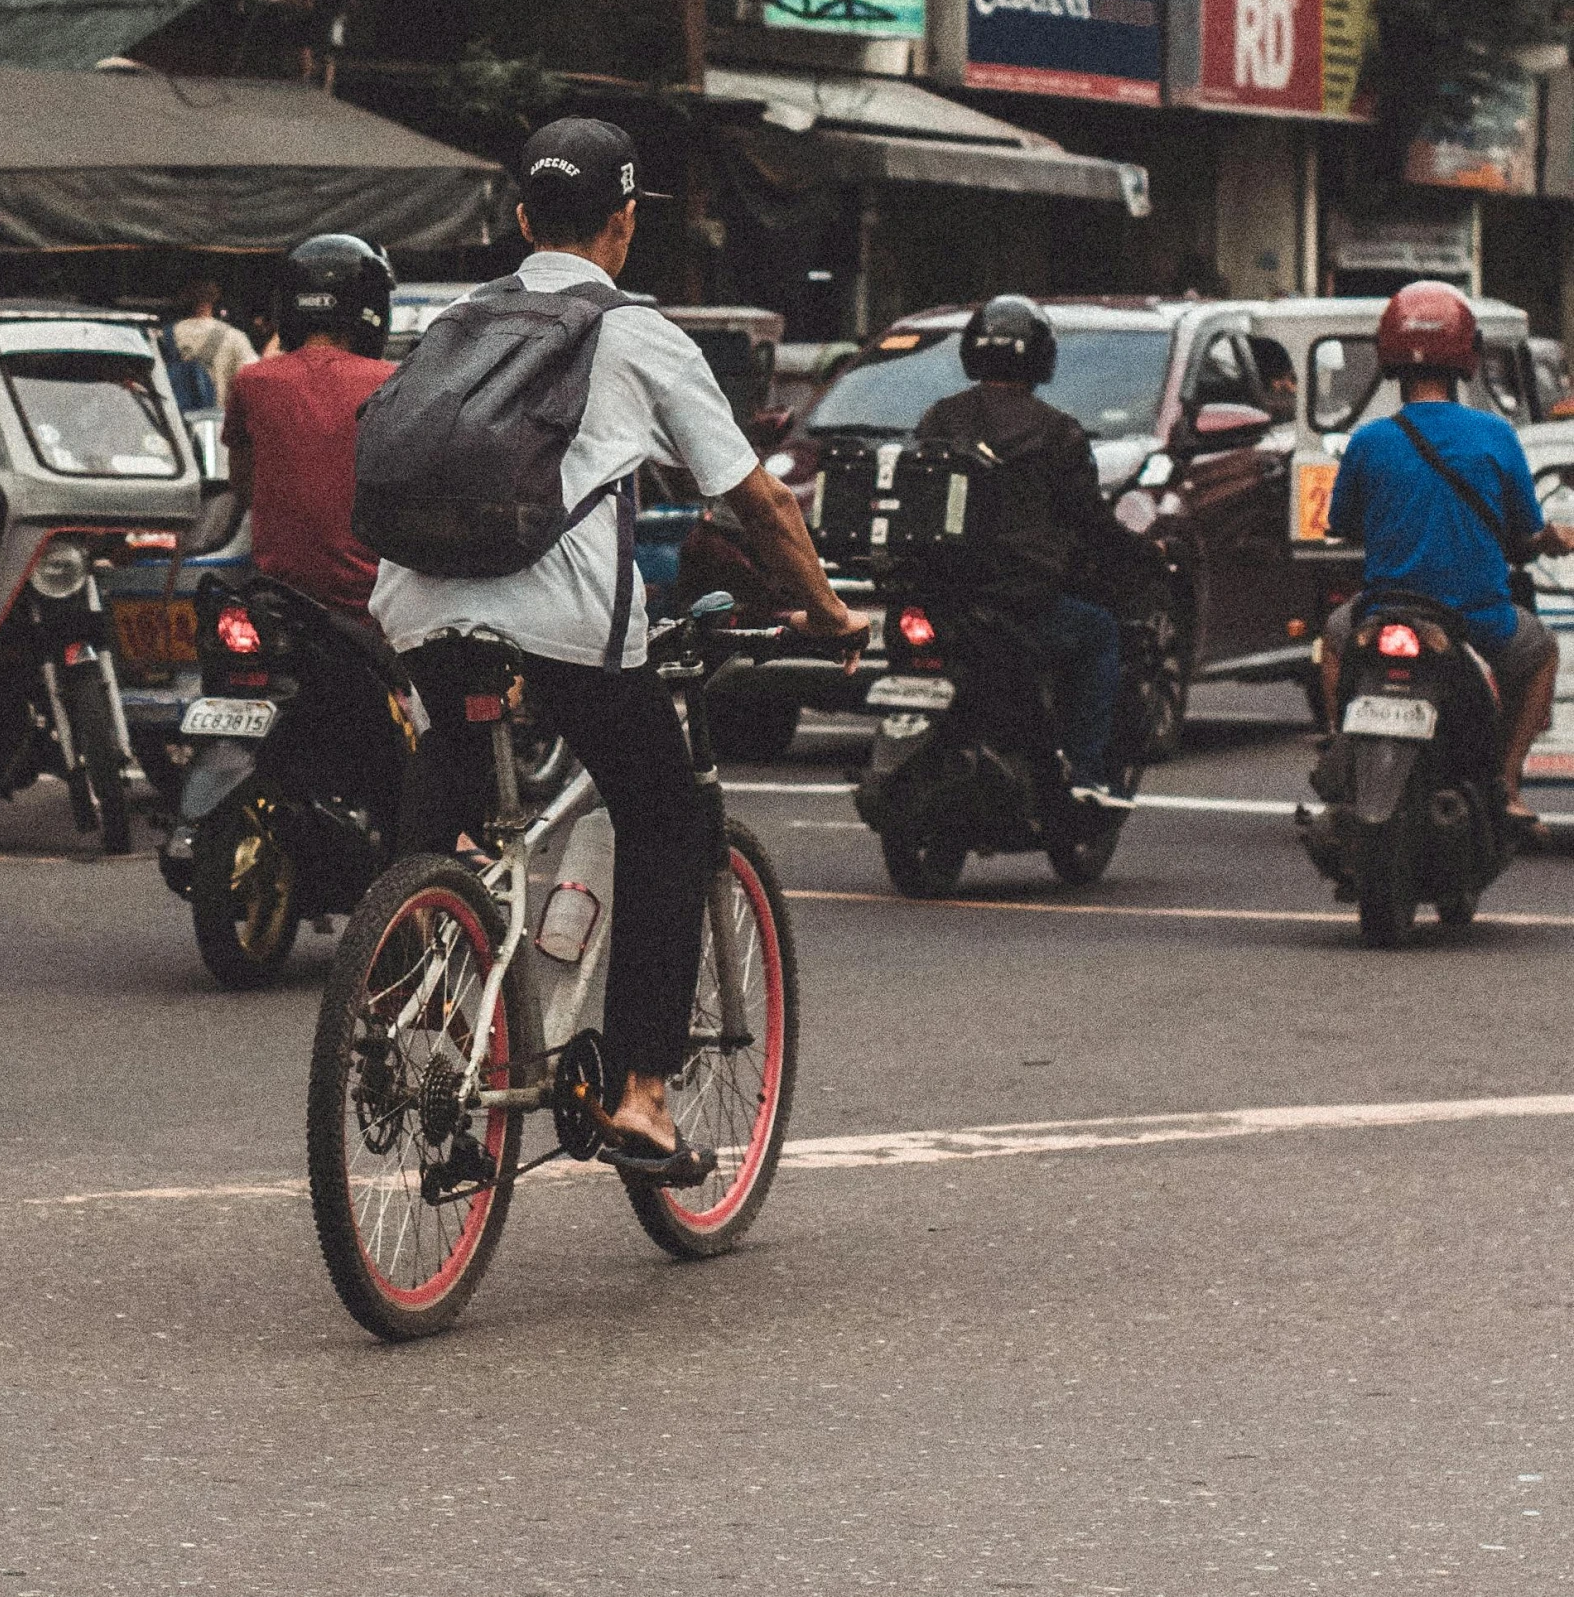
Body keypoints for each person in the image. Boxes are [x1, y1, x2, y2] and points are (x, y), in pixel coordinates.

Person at [371, 115, 869, 1184]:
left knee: (449, 783)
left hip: (419, 606)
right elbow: (762, 502)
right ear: (626, 225)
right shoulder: (636, 333)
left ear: (519, 220)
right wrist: (829, 616)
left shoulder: (457, 318)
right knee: (666, 811)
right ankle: (642, 1096)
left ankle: (409, 989)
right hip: (558, 623)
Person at [1318, 281, 1574, 829]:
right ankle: (1507, 782)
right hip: (1476, 622)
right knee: (1543, 653)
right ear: (1468, 356)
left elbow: (1339, 527)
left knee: (1335, 637)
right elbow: (1526, 534)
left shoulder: (1368, 441)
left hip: (1384, 613)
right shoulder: (1494, 434)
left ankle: (1343, 750)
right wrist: (1551, 539)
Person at [917, 293, 1146, 803]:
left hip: (943, 596)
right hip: (1020, 601)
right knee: (1100, 634)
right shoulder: (1056, 430)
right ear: (1041, 357)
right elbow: (1089, 519)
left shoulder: (939, 419)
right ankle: (1086, 772)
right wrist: (1138, 554)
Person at [222, 235, 397, 619]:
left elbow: (242, 483)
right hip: (372, 603)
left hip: (279, 598)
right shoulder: (393, 382)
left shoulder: (252, 382)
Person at [172, 276, 259, 406]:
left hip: (172, 420)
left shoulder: (167, 335)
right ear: (214, 299)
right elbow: (252, 382)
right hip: (216, 420)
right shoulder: (234, 337)